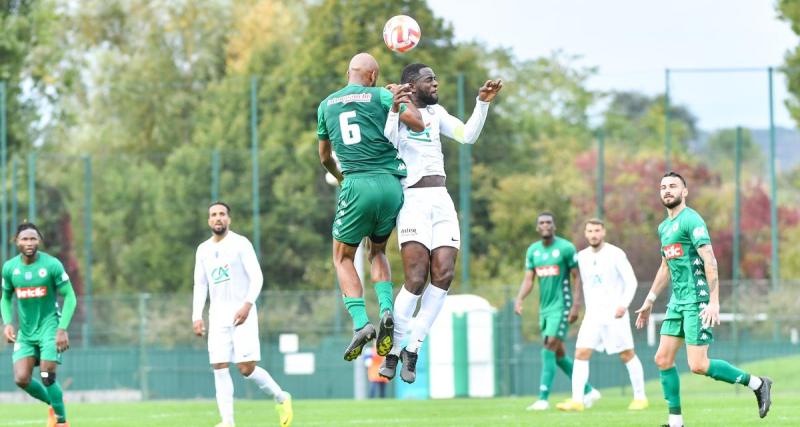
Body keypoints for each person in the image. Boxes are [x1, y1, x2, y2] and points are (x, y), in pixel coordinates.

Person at [378, 63, 502, 383]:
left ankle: (412, 349)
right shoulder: (395, 111)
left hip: (441, 199)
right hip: (413, 202)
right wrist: (393, 109)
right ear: (411, 84)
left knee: (444, 274)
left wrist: (483, 102)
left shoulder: (438, 113)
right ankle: (392, 352)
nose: (436, 83)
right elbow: (389, 142)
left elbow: (467, 135)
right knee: (416, 278)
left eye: (436, 78)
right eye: (429, 79)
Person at [634, 172, 772, 427]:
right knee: (662, 359)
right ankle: (676, 423)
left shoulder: (692, 220)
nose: (667, 190)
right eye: (663, 187)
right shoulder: (663, 227)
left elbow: (710, 259)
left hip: (697, 299)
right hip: (677, 301)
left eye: (673, 186)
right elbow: (665, 266)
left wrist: (714, 301)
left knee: (698, 364)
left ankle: (758, 383)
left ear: (684, 191)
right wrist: (650, 299)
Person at [317, 52, 424, 362]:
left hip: (356, 184)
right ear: (374, 75)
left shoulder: (326, 105)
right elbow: (416, 124)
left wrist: (340, 178)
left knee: (342, 257)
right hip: (390, 185)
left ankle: (362, 324)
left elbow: (324, 156)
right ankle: (388, 310)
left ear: (350, 72)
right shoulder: (380, 95)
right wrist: (397, 99)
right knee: (377, 251)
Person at [192, 202, 292, 427]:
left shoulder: (240, 243)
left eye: (222, 214)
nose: (218, 218)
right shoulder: (203, 250)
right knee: (219, 366)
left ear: (229, 219)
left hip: (242, 313)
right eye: (213, 215)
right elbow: (200, 285)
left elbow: (257, 277)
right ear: (209, 221)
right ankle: (227, 421)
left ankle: (281, 397)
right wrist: (196, 316)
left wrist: (247, 305)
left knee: (246, 368)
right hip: (217, 315)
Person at [556, 218, 647, 412]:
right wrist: (576, 306)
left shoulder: (616, 254)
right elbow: (579, 282)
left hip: (615, 315)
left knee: (627, 354)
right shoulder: (582, 256)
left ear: (603, 232)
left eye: (597, 230)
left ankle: (640, 397)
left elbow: (631, 282)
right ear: (586, 234)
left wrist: (623, 305)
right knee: (581, 353)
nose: (593, 234)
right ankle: (577, 400)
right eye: (590, 231)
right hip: (593, 316)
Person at [514, 212, 601, 411]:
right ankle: (589, 391)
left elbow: (578, 277)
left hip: (561, 306)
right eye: (542, 223)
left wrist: (576, 305)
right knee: (559, 354)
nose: (545, 225)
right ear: (537, 227)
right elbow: (529, 280)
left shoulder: (565, 248)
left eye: (549, 222)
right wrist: (519, 299)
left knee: (548, 347)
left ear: (554, 226)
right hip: (544, 309)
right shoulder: (533, 251)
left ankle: (543, 398)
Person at [1, 222, 77, 427]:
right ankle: (54, 402)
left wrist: (62, 328)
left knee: (47, 375)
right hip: (26, 333)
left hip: (49, 327)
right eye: (24, 239)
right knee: (21, 379)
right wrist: (7, 323)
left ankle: (61, 422)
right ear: (16, 241)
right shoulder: (10, 268)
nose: (29, 242)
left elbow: (70, 296)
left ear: (39, 241)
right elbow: (5, 297)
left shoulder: (51, 265)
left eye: (33, 238)